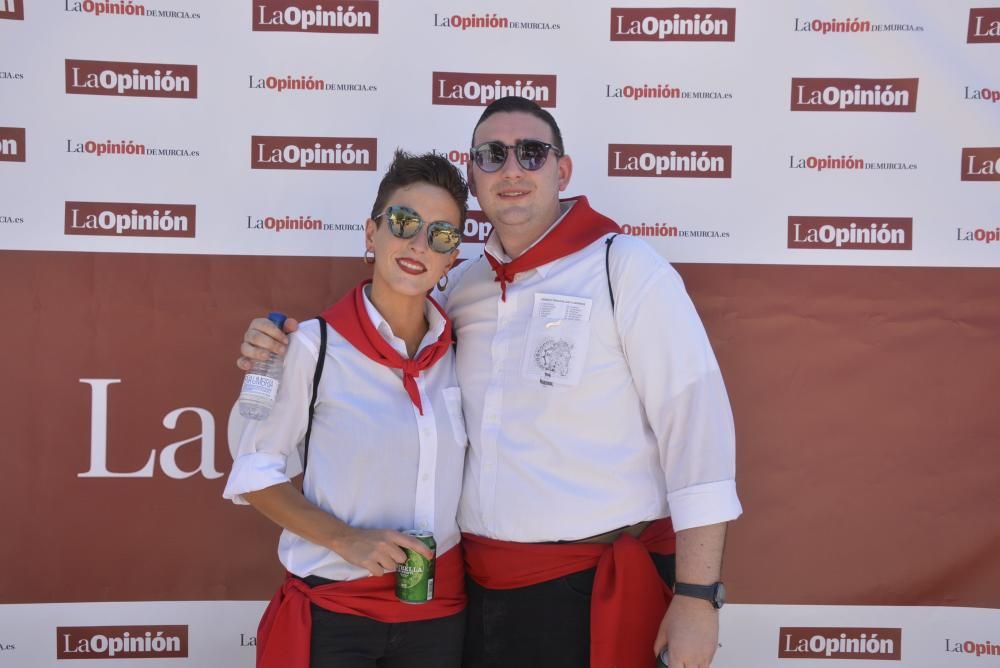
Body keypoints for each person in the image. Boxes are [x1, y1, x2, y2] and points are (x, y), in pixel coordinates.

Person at [239, 97, 742, 668]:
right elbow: (257, 452)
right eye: (491, 155)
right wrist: (267, 351)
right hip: (469, 604)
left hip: (584, 598)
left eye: (531, 153)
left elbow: (698, 435)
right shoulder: (456, 296)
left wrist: (699, 597)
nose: (512, 169)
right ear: (474, 176)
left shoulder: (626, 267)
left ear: (563, 169)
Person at [225, 150, 471, 668]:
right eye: (404, 223)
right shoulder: (309, 347)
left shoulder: (463, 352)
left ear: (452, 259)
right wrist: (347, 540)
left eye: (441, 235)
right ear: (371, 233)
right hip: (338, 620)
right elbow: (252, 471)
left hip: (438, 618)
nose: (418, 244)